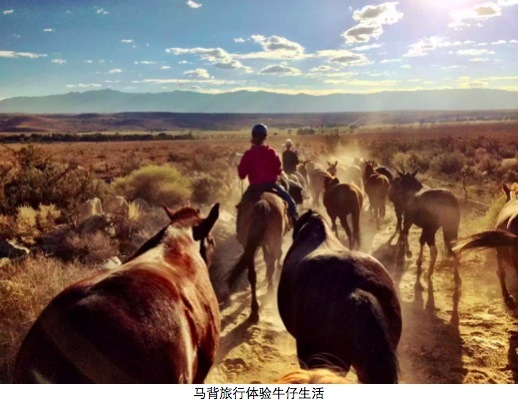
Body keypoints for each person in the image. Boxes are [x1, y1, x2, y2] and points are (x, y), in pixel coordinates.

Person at [238, 124, 299, 222]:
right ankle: (296, 221)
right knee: (291, 203)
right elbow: (278, 170)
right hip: (271, 185)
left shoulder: (248, 154)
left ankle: (238, 230)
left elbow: (242, 175)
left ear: (253, 136)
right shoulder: (271, 152)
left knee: (241, 208)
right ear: (265, 137)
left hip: (254, 187)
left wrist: (240, 167)